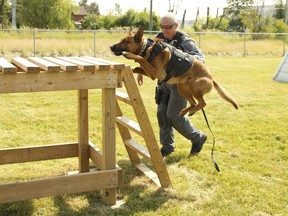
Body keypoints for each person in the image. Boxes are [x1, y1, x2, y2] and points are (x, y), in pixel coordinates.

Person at [137, 12, 207, 157]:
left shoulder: (185, 41)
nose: (164, 30)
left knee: (174, 115)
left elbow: (200, 59)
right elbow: (147, 54)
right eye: (162, 26)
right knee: (162, 114)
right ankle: (167, 147)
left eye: (168, 27)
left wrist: (180, 58)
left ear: (176, 26)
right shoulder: (159, 38)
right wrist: (141, 70)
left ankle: (198, 137)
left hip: (179, 85)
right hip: (164, 83)